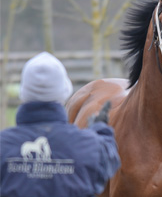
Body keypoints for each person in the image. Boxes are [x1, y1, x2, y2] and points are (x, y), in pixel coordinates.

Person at [0, 52, 121, 197]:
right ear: (64, 92)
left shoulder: (3, 145)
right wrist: (101, 131)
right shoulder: (89, 146)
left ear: (23, 93)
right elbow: (109, 161)